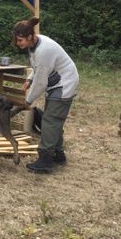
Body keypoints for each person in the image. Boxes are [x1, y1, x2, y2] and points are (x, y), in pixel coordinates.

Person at [13, 16, 79, 173]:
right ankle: (59, 154)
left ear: (30, 36)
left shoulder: (44, 49)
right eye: (17, 40)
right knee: (53, 120)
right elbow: (37, 68)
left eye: (20, 40)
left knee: (50, 121)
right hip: (55, 82)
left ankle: (46, 160)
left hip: (65, 83)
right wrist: (29, 79)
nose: (18, 43)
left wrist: (27, 101)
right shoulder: (34, 45)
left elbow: (41, 82)